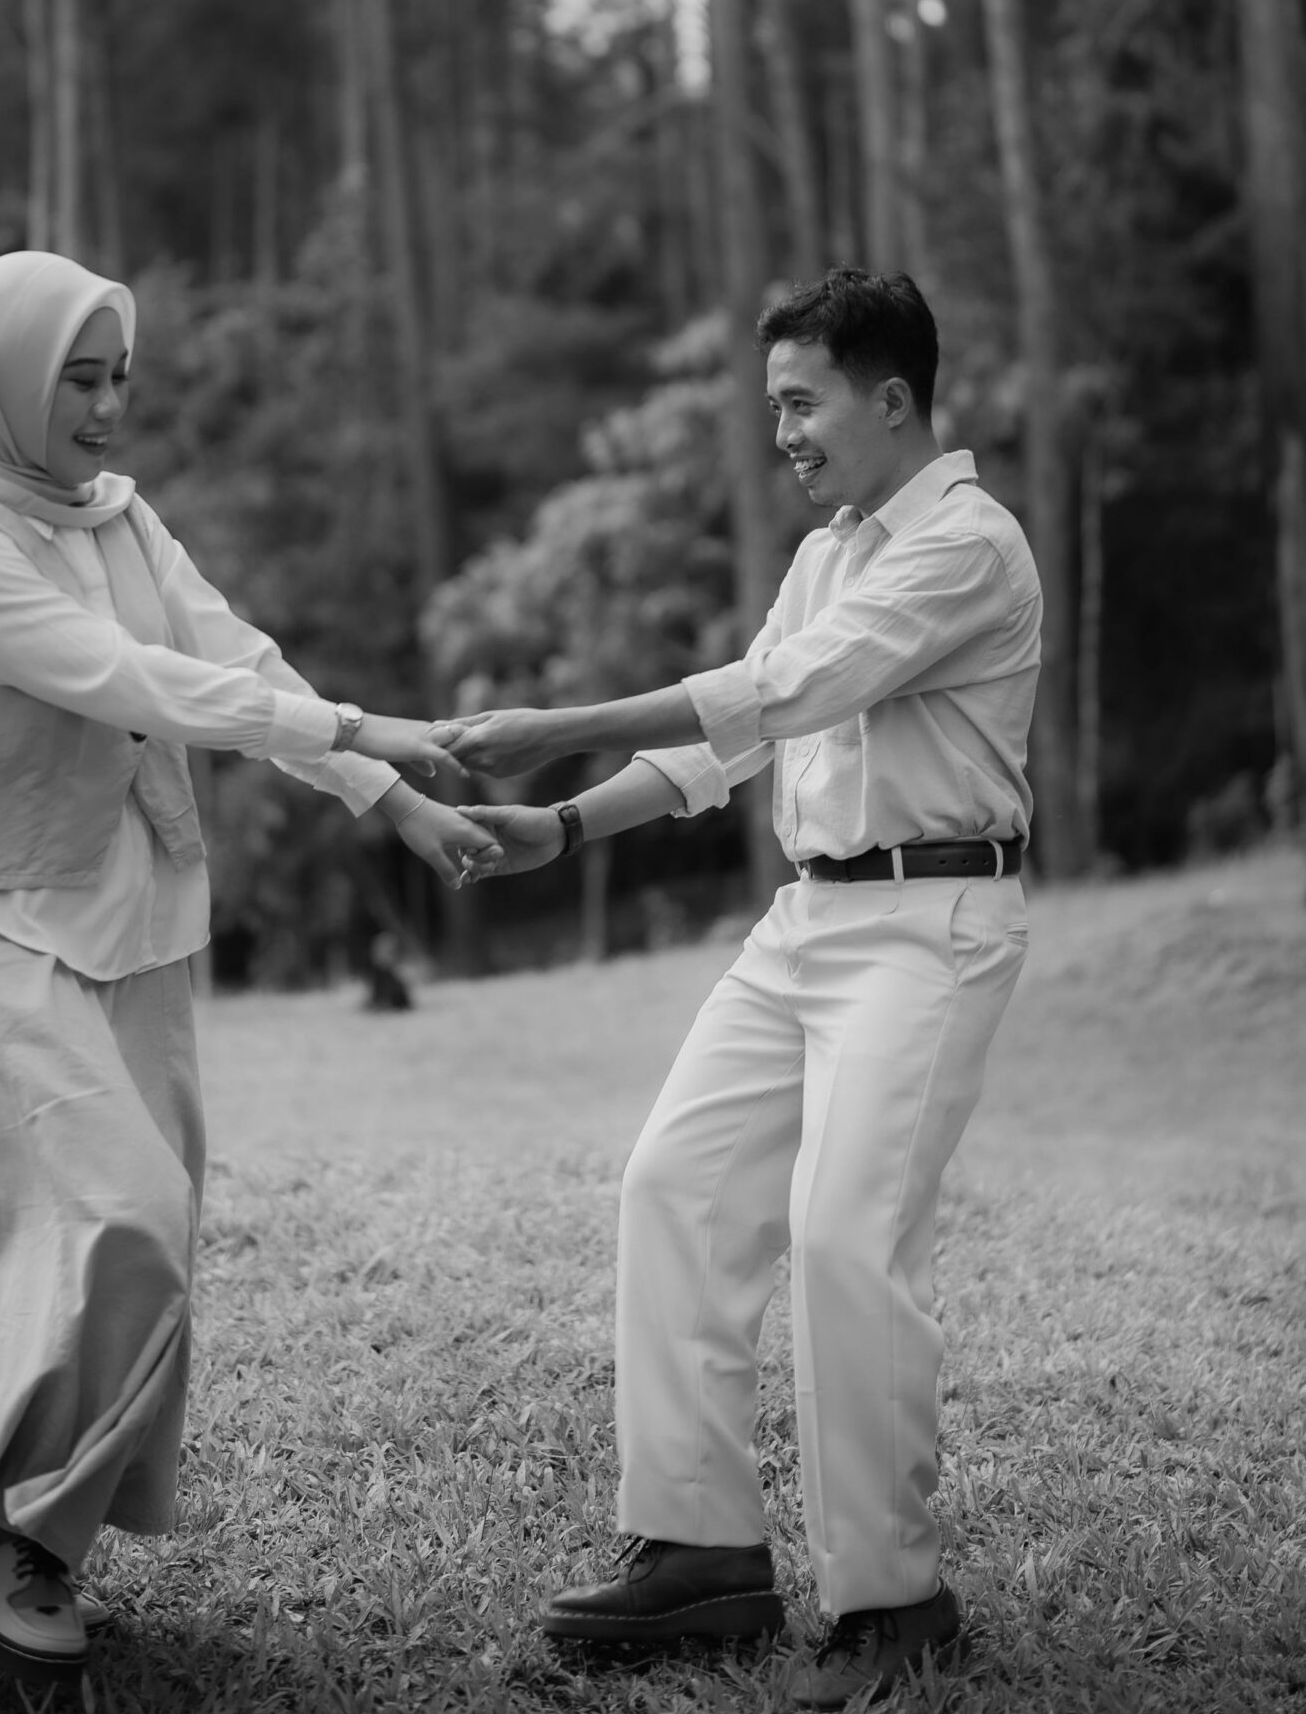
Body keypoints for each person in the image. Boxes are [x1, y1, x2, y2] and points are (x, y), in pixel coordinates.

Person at [0, 249, 497, 1690]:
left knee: (132, 1242)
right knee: (116, 1220)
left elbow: (235, 655)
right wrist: (365, 728)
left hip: (135, 915)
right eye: (77, 383)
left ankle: (34, 1540)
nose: (107, 411)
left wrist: (391, 798)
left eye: (119, 379)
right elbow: (138, 680)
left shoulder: (118, 514)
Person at [436, 268, 1038, 1709]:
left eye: (801, 402)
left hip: (932, 921)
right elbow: (739, 739)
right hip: (805, 921)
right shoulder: (830, 552)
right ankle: (701, 1552)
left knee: (843, 1240)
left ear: (891, 399)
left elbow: (790, 690)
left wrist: (562, 723)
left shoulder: (969, 546)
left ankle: (895, 1604)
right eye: (775, 405)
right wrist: (565, 823)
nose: (784, 434)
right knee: (675, 1185)